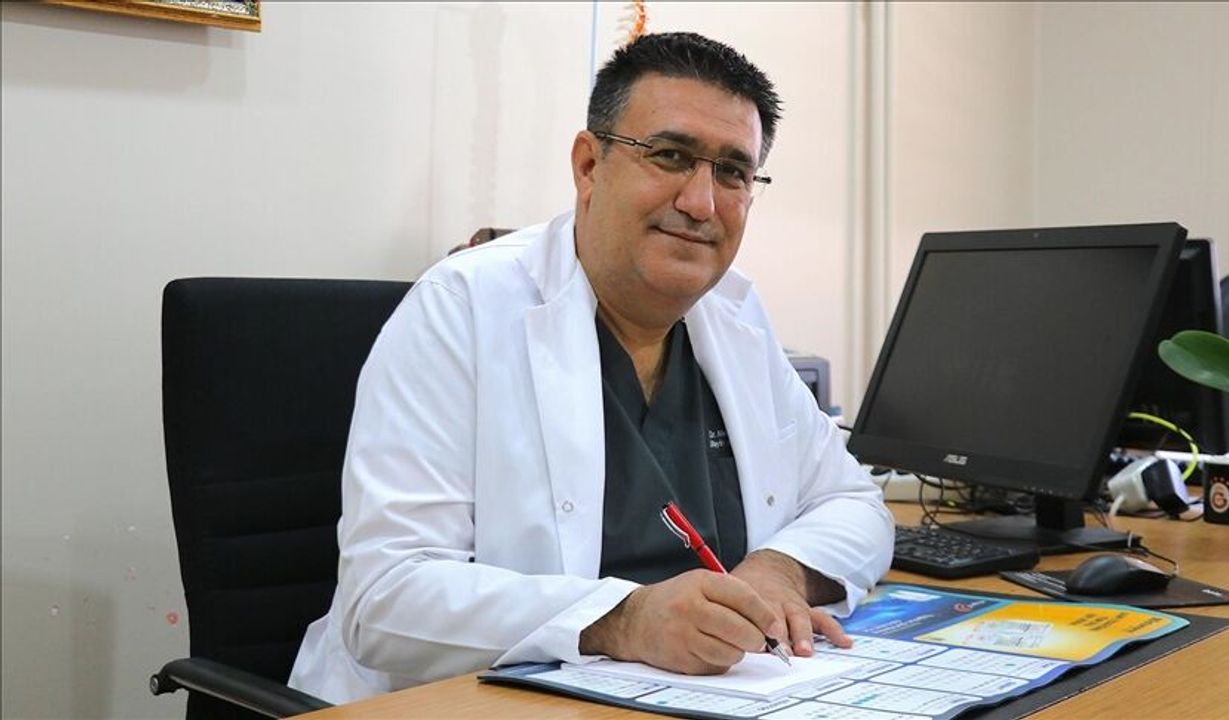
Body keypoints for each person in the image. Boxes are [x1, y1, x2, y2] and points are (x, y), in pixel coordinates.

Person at [289, 31, 894, 703]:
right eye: (670, 155)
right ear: (588, 166)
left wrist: (779, 570)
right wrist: (624, 620)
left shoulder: (735, 320)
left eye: (732, 172)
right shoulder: (461, 309)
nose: (702, 202)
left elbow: (854, 502)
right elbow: (384, 599)